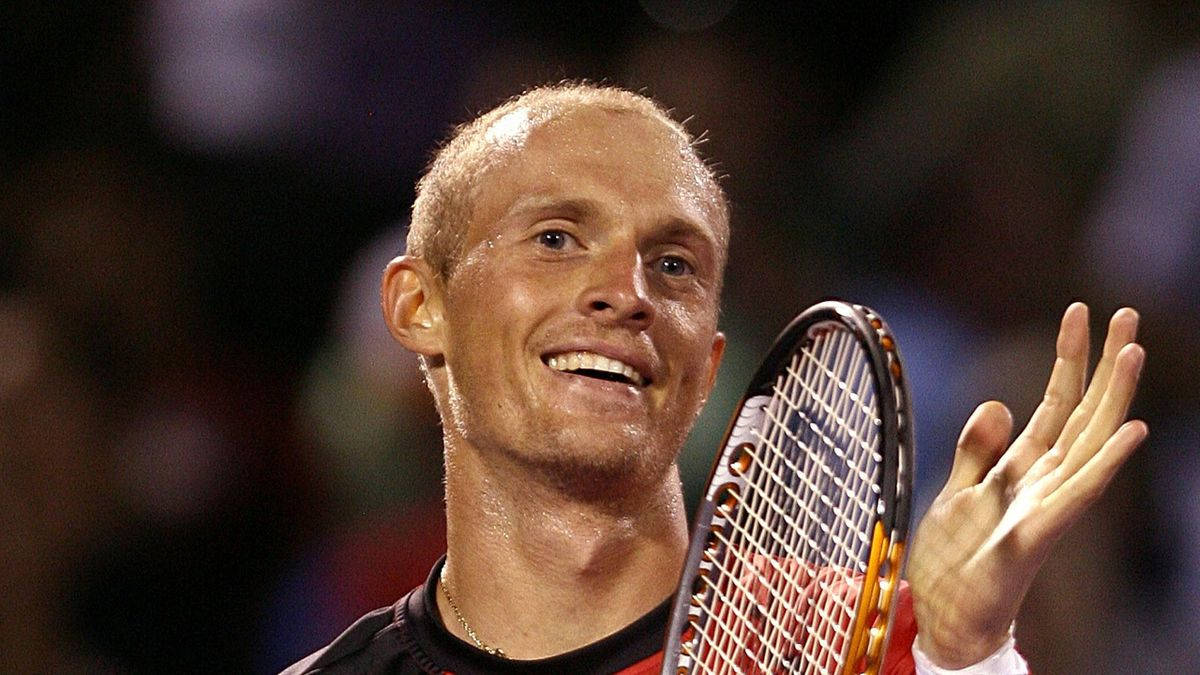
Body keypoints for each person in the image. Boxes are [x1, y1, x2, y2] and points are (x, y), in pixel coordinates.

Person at [282, 84, 1147, 674]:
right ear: (418, 305)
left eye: (673, 263)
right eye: (555, 238)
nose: (627, 294)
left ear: (708, 368)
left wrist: (967, 658)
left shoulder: (862, 642)